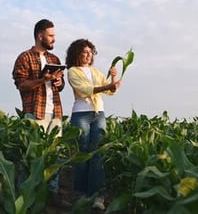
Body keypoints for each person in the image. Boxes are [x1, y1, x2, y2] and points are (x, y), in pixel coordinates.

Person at [12, 18, 70, 208]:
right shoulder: (24, 57)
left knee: (54, 155)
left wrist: (58, 82)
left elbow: (58, 88)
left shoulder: (55, 60)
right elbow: (22, 86)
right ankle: (25, 195)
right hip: (34, 113)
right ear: (40, 36)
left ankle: (52, 193)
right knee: (30, 156)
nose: (54, 39)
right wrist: (42, 79)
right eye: (51, 35)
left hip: (55, 113)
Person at [65, 38, 122, 211]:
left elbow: (109, 91)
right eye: (85, 52)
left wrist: (113, 79)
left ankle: (98, 195)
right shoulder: (73, 71)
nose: (89, 55)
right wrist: (107, 86)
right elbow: (84, 90)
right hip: (81, 114)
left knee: (98, 153)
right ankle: (81, 194)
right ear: (77, 54)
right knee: (83, 153)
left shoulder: (96, 72)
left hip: (99, 114)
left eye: (91, 52)